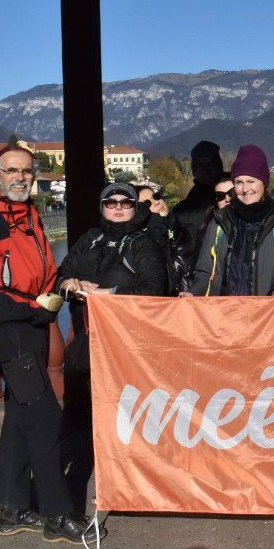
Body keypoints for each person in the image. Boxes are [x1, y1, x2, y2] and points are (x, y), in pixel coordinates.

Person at [0, 146, 97, 545]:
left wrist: (65, 287)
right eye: (12, 171)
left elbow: (47, 275)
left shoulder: (32, 216)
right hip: (10, 334)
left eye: (26, 172)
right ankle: (57, 514)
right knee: (45, 419)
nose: (20, 178)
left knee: (20, 421)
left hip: (35, 328)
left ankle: (12, 508)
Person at [56, 182, 169, 510]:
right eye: (110, 202)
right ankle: (75, 485)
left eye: (126, 202)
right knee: (81, 417)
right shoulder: (90, 238)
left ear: (135, 207)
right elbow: (60, 277)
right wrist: (70, 285)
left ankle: (130, 488)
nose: (118, 207)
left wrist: (108, 296)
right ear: (101, 206)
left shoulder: (143, 242)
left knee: (126, 419)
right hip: (87, 343)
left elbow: (154, 290)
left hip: (129, 349)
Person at [189, 145, 274, 297]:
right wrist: (193, 293)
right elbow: (204, 272)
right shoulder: (219, 221)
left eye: (251, 181)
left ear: (264, 183)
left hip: (266, 315)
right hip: (223, 315)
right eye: (239, 182)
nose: (245, 189)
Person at [170, 140, 224, 272]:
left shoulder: (233, 200)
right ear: (194, 171)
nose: (207, 171)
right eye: (201, 166)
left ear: (219, 167)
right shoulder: (181, 210)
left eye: (211, 165)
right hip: (194, 275)